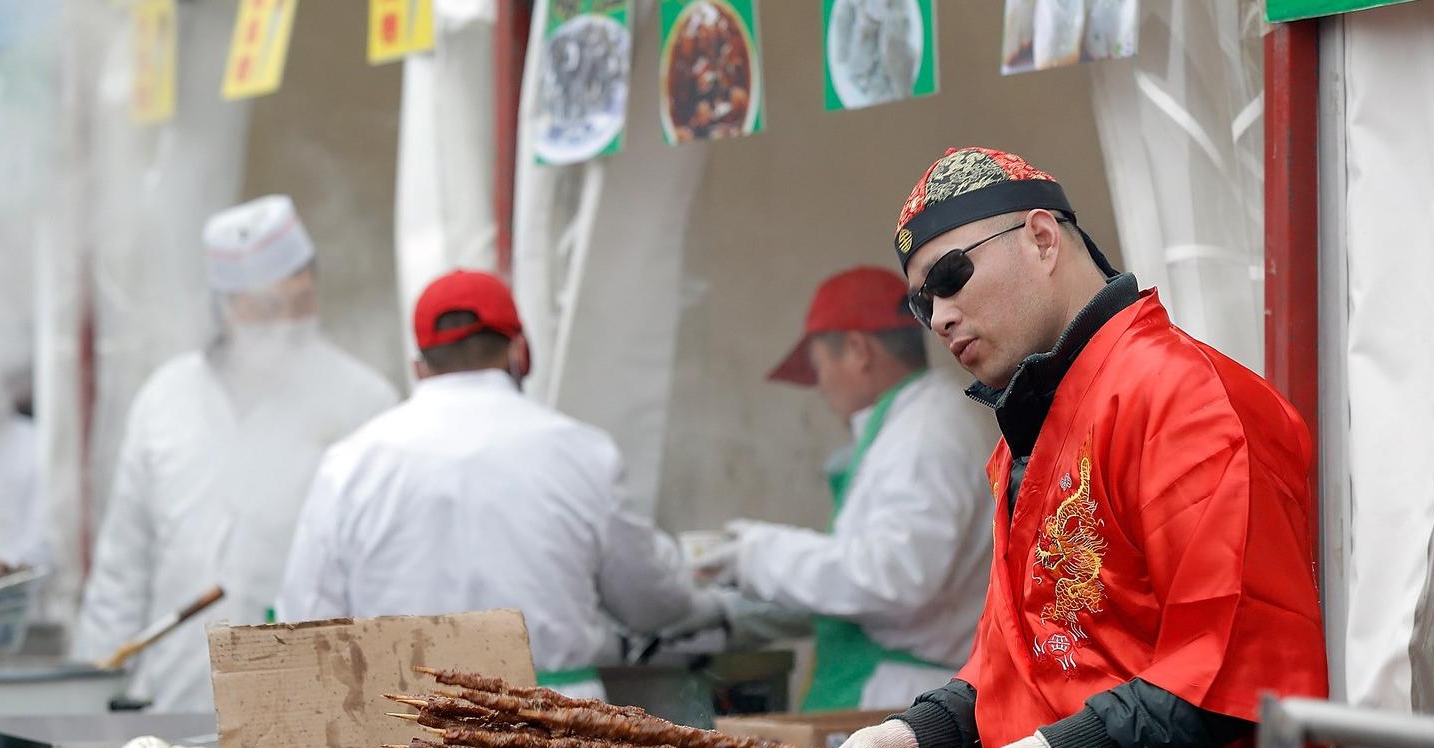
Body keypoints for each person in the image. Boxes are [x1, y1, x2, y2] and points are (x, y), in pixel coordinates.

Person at [833, 147, 1329, 748]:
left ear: (1041, 238)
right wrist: (913, 738)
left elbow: (1242, 662)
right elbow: (1029, 666)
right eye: (919, 302)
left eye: (950, 277)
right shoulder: (1029, 439)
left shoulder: (1184, 399)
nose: (937, 315)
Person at [276, 270, 721, 701]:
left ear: (419, 367)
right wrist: (714, 600)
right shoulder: (584, 453)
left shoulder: (350, 465)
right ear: (520, 352)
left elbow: (305, 623)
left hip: (408, 735)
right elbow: (651, 603)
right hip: (555, 733)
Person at [72, 195, 398, 714]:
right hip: (173, 705)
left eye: (301, 302)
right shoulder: (166, 399)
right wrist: (85, 701)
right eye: (267, 308)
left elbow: (387, 579)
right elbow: (121, 573)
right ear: (225, 308)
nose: (288, 322)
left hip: (312, 709)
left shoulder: (364, 402)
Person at [701, 266, 998, 712]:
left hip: (906, 694)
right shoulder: (910, 424)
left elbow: (896, 574)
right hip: (899, 685)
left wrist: (756, 554)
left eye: (820, 367)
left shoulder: (924, 434)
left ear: (858, 351)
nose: (820, 387)